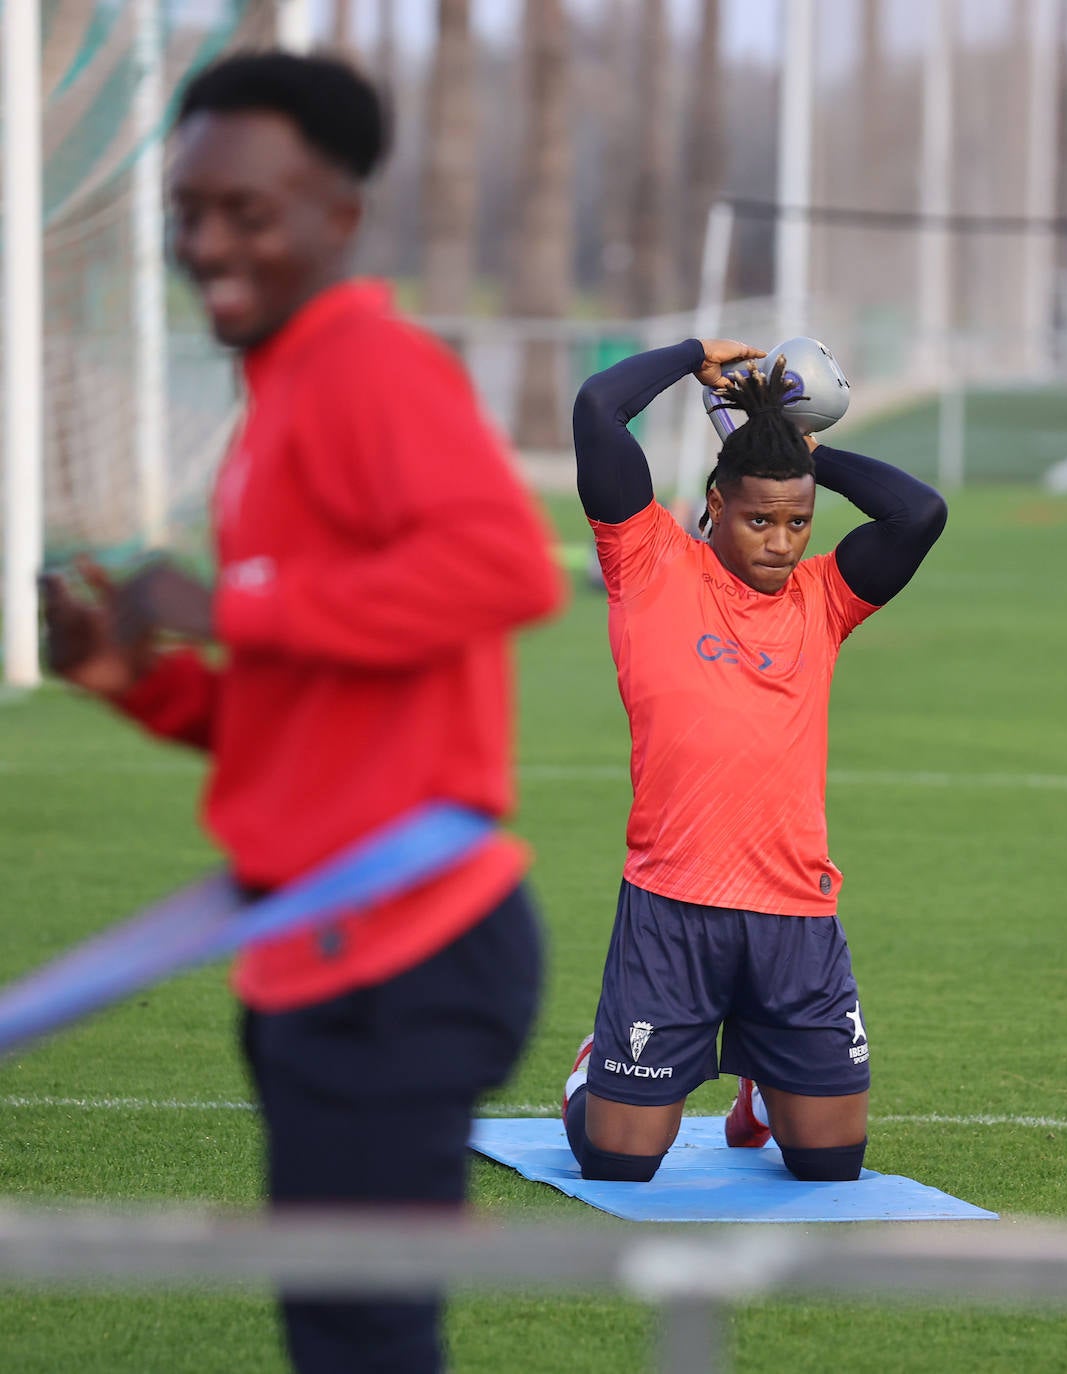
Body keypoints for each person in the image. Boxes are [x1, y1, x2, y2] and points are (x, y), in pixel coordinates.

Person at [41, 51, 563, 1374]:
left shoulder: (369, 367)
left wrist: (233, 602)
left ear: (340, 216)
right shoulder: (275, 400)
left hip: (405, 951)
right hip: (318, 950)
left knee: (362, 1338)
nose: (207, 243)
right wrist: (134, 677)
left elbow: (507, 567)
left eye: (248, 212)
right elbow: (291, 715)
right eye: (187, 211)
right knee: (339, 1333)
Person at [561, 338, 947, 1185]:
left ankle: (764, 1091)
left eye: (797, 523)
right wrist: (692, 355)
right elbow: (598, 409)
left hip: (795, 920)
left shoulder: (824, 598)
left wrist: (806, 454)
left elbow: (918, 514)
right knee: (618, 1164)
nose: (780, 543)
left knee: (831, 1166)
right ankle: (594, 1071)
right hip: (671, 911)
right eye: (759, 519)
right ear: (715, 505)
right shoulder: (648, 563)